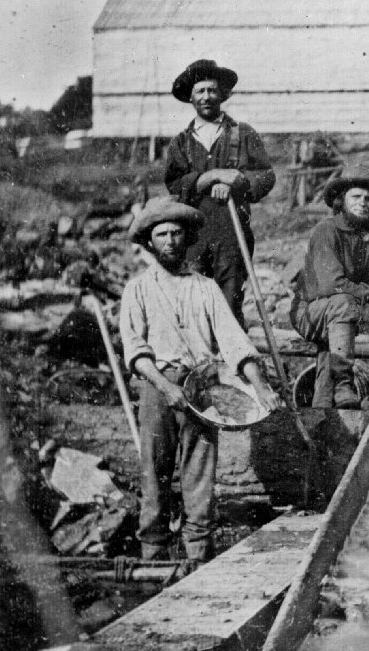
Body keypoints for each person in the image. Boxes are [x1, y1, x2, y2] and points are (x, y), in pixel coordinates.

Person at [120, 197, 283, 563]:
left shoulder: (205, 288)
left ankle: (198, 557)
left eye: (177, 233)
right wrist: (166, 388)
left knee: (199, 476)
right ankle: (153, 554)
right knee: (155, 472)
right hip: (157, 386)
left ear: (188, 238)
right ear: (149, 242)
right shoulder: (138, 289)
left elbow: (233, 342)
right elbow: (135, 348)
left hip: (201, 389)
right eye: (162, 234)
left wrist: (259, 385)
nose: (170, 241)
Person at [165, 59, 276, 325]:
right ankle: (201, 363)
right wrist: (211, 176)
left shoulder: (243, 133)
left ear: (222, 95)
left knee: (229, 304)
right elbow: (174, 184)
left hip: (232, 232)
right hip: (193, 236)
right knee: (193, 302)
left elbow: (266, 175)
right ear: (191, 98)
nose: (206, 97)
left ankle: (233, 362)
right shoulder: (181, 142)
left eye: (212, 90)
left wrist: (236, 182)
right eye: (200, 91)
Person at [289, 176, 369, 410]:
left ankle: (322, 411)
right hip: (309, 311)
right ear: (341, 201)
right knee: (344, 303)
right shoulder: (326, 231)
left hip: (337, 315)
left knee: (330, 354)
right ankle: (344, 384)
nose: (363, 202)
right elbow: (332, 285)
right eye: (356, 197)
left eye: (368, 199)